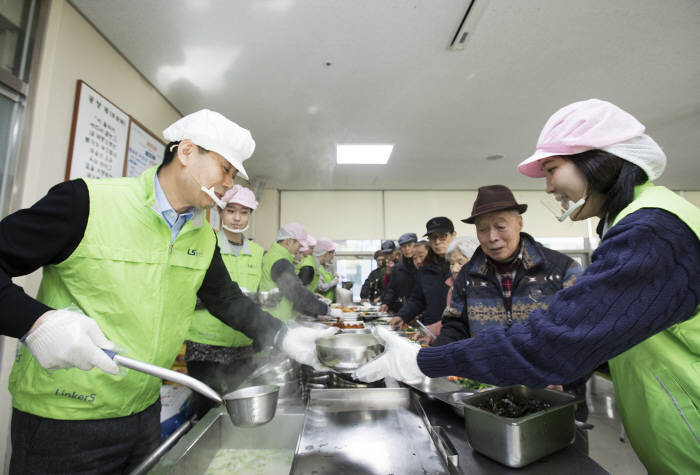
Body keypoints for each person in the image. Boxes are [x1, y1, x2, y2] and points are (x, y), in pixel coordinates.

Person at [354, 99, 700, 474]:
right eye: (482, 229)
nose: (549, 186)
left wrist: (424, 360)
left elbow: (560, 339)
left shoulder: (652, 233)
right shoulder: (640, 225)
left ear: (598, 160)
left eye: (552, 169)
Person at [3, 109, 334, 473]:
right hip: (64, 420)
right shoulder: (88, 203)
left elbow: (227, 300)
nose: (229, 182)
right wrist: (35, 322)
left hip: (144, 413)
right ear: (187, 152)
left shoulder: (201, 236)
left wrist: (282, 335)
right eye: (225, 169)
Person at [184, 184, 263, 419]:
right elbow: (186, 293)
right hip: (204, 347)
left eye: (244, 212)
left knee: (244, 413)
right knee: (207, 413)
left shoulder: (258, 252)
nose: (237, 218)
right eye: (231, 210)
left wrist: (258, 299)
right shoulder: (204, 244)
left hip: (242, 346)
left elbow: (258, 296)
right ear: (220, 211)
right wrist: (219, 299)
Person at [259, 222, 340, 320]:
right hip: (277, 318)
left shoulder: (271, 255)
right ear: (288, 241)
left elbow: (288, 289)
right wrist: (327, 310)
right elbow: (297, 294)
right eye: (299, 245)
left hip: (272, 316)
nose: (300, 249)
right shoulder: (280, 261)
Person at [389, 218, 455, 329]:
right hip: (430, 330)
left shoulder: (464, 265)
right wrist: (402, 315)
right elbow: (417, 299)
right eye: (433, 237)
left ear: (453, 235)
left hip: (458, 331)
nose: (437, 242)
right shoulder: (425, 268)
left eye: (443, 236)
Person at [417, 235, 480, 343]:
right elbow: (450, 323)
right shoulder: (453, 289)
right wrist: (429, 331)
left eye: (460, 263)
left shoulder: (482, 290)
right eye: (451, 263)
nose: (455, 269)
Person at [380, 232, 418, 313]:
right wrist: (386, 303)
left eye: (409, 245)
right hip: (402, 310)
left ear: (416, 245)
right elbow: (392, 289)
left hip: (421, 311)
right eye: (403, 246)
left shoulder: (423, 265)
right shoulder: (397, 268)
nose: (407, 249)